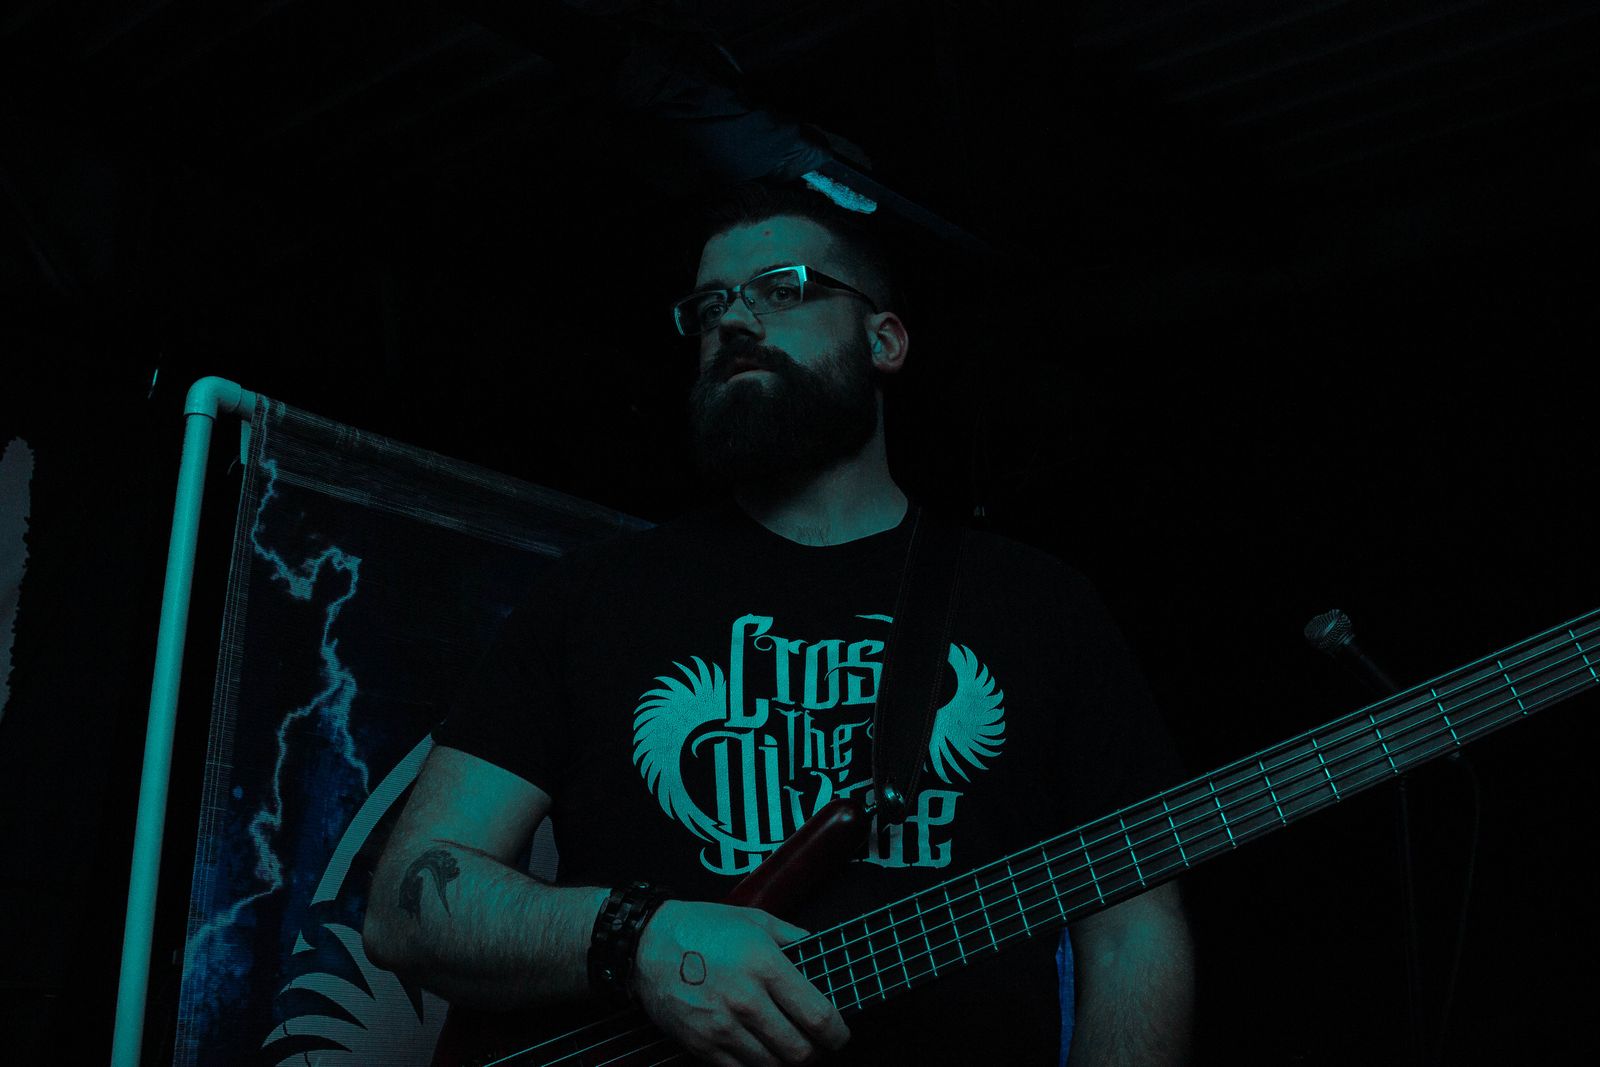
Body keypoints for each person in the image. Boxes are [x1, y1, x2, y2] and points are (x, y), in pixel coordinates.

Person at [363, 182, 1195, 1066]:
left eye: (783, 288)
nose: (734, 320)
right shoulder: (594, 596)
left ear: (884, 339)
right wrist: (640, 938)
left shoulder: (1040, 604)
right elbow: (406, 904)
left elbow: (1131, 929)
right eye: (709, 305)